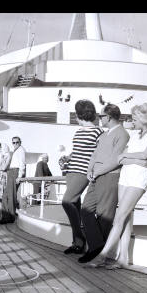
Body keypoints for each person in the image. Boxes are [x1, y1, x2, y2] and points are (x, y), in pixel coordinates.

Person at [92, 103, 147, 269]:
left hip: (138, 180)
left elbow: (146, 155)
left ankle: (103, 256)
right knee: (125, 218)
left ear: (142, 118)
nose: (132, 122)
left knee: (119, 217)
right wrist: (136, 159)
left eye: (134, 119)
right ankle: (123, 259)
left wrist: (130, 157)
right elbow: (121, 158)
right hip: (125, 177)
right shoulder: (135, 135)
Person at [78, 103, 131, 263]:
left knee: (104, 216)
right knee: (86, 210)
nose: (98, 118)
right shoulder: (103, 134)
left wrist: (98, 171)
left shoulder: (122, 134)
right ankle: (96, 247)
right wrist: (89, 170)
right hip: (96, 177)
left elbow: (116, 159)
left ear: (108, 117)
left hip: (110, 177)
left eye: (101, 116)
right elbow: (94, 155)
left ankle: (99, 255)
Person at [62, 99, 104, 254]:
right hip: (71, 170)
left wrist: (95, 170)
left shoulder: (98, 132)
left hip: (83, 172)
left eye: (76, 113)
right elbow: (78, 151)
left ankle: (81, 233)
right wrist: (68, 158)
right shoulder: (79, 131)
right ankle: (78, 244)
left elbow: (100, 152)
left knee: (67, 201)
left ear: (80, 114)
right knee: (75, 204)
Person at [0, 136, 26, 224]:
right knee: (5, 196)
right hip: (11, 172)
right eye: (13, 142)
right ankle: (7, 216)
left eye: (17, 142)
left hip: (15, 172)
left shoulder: (21, 150)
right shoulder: (16, 151)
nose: (15, 144)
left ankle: (10, 217)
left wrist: (20, 176)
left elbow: (22, 164)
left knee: (11, 196)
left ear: (20, 142)